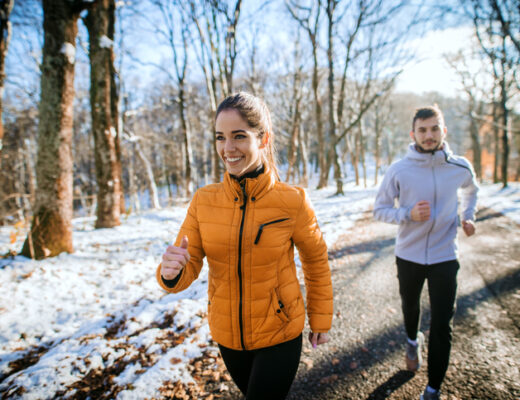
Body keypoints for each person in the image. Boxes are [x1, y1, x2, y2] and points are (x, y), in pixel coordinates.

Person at [156, 92, 333, 400]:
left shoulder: (292, 201)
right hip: (228, 336)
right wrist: (170, 273)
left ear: (263, 139)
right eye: (220, 137)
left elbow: (315, 262)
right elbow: (188, 262)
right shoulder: (203, 201)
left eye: (239, 136)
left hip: (280, 332)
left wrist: (320, 317)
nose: (228, 148)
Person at [373, 105, 478, 400]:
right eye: (423, 130)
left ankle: (432, 389)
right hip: (409, 255)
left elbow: (472, 190)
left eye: (434, 129)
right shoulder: (399, 169)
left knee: (443, 323)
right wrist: (408, 214)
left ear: (443, 131)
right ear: (413, 134)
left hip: (446, 255)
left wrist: (469, 216)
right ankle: (411, 340)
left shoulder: (459, 167)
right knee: (411, 307)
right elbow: (380, 210)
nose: (429, 135)